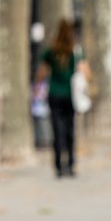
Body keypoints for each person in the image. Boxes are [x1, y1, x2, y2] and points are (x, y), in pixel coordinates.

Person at [35, 19, 91, 178]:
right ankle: (71, 164)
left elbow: (41, 73)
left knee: (57, 130)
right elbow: (86, 72)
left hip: (54, 94)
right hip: (70, 95)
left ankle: (59, 165)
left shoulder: (51, 51)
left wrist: (38, 87)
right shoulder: (76, 51)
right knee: (70, 129)